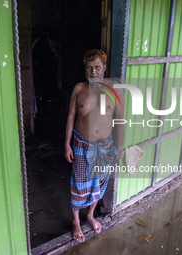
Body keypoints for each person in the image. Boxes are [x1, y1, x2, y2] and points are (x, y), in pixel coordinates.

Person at [64, 49, 124, 242]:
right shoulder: (79, 89)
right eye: (89, 67)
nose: (93, 71)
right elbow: (71, 117)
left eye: (97, 67)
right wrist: (67, 144)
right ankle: (76, 221)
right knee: (78, 184)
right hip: (81, 146)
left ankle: (90, 215)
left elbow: (121, 120)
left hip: (106, 147)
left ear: (104, 68)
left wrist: (120, 148)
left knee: (98, 184)